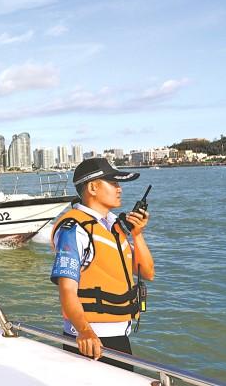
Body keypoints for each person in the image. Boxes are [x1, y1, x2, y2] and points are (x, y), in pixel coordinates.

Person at [50, 158, 154, 370]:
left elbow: (147, 272)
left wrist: (137, 234)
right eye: (113, 183)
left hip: (119, 338)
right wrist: (85, 331)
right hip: (90, 341)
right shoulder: (74, 229)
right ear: (93, 187)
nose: (119, 189)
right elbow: (67, 290)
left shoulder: (114, 226)